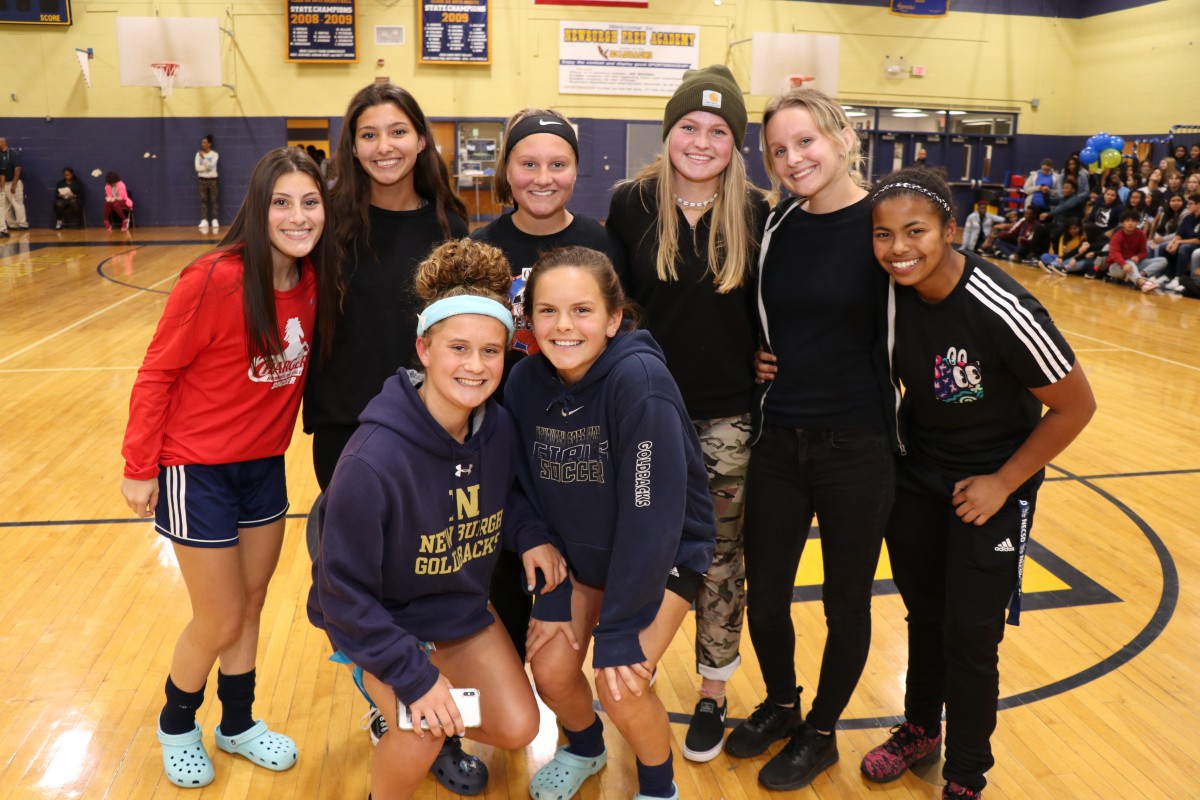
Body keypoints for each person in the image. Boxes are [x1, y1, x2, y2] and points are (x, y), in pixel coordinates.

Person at [861, 166, 1095, 800]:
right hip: (919, 477)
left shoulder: (1002, 307)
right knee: (925, 614)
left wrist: (1002, 482)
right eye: (884, 235)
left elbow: (1076, 406)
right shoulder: (887, 296)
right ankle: (919, 729)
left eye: (915, 231)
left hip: (995, 481)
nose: (898, 248)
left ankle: (966, 773)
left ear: (950, 231)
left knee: (971, 633)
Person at [309, 238, 567, 800]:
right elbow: (340, 593)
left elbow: (510, 495)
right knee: (423, 727)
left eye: (491, 351)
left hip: (454, 608)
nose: (475, 367)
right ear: (423, 349)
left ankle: (414, 706)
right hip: (381, 620)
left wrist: (530, 538)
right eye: (458, 348)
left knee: (519, 726)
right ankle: (391, 716)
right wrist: (414, 678)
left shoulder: (493, 428)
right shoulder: (371, 461)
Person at [119, 147, 339, 789]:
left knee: (251, 601)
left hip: (263, 467)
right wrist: (139, 465)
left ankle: (237, 722)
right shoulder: (213, 278)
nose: (298, 216)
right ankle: (177, 722)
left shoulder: (313, 282)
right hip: (197, 469)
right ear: (258, 207)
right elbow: (157, 370)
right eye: (282, 202)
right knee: (215, 617)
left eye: (310, 202)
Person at [299, 82, 479, 793]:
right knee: (367, 587)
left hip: (431, 430)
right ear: (352, 144)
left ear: (421, 138)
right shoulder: (329, 220)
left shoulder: (448, 217)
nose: (384, 147)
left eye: (397, 131)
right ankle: (397, 710)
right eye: (368, 134)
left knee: (430, 581)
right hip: (349, 428)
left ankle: (431, 723)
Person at [505, 246, 716, 800]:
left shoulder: (640, 383)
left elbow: (652, 520)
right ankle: (584, 746)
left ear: (614, 318)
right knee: (550, 671)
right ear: (528, 321)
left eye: (582, 310)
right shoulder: (523, 384)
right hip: (577, 558)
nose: (564, 326)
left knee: (620, 684)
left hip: (664, 556)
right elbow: (515, 485)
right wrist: (540, 556)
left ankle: (657, 786)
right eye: (547, 311)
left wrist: (620, 631)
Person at [604, 63, 768, 763]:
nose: (702, 141)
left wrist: (775, 354)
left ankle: (712, 692)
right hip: (646, 415)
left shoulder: (761, 212)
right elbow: (614, 308)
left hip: (729, 416)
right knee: (638, 548)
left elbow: (780, 309)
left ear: (736, 142)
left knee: (721, 561)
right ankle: (620, 676)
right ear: (669, 132)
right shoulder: (630, 203)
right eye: (689, 127)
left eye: (719, 130)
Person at [733, 87, 895, 791]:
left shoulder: (884, 225)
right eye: (778, 150)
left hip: (857, 445)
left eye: (805, 142)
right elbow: (759, 313)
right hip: (778, 438)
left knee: (844, 601)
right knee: (765, 596)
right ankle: (781, 702)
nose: (793, 159)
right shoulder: (777, 225)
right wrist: (752, 353)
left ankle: (822, 732)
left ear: (840, 136)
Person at [469, 106, 625, 663]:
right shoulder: (479, 249)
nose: (542, 177)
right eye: (528, 163)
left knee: (581, 578)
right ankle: (510, 686)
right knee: (507, 574)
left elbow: (624, 334)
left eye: (557, 164)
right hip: (501, 438)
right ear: (506, 170)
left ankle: (575, 710)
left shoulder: (602, 244)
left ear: (576, 170)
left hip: (584, 443)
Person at [0, 136, 28, 232]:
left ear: (3, 143)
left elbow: (18, 169)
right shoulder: (0, 155)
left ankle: (22, 223)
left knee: (17, 204)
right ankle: (12, 224)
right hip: (3, 184)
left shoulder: (12, 153)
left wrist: (14, 184)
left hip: (13, 182)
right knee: (5, 206)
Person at [196, 135, 220, 234]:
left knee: (214, 200)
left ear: (209, 144)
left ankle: (214, 219)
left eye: (204, 142)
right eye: (202, 142)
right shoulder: (198, 154)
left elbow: (212, 166)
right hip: (202, 180)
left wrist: (204, 160)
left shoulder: (214, 154)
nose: (203, 144)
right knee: (203, 200)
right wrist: (207, 167)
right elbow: (197, 168)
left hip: (212, 179)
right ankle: (204, 220)